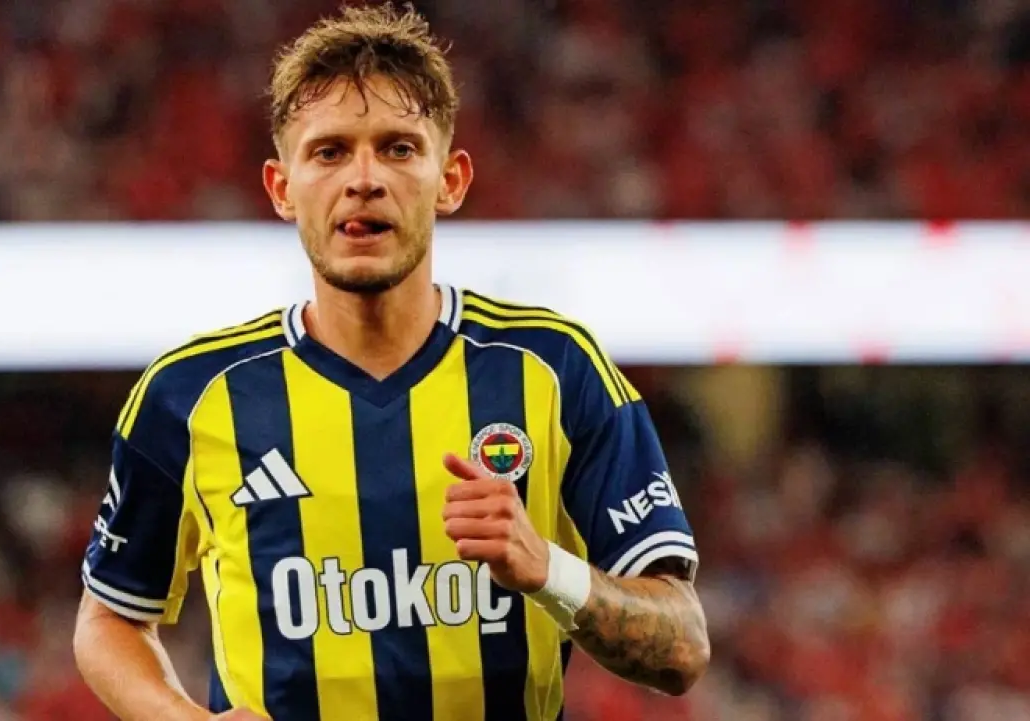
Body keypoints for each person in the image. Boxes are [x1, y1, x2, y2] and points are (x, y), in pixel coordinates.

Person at [72, 4, 710, 720]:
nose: (365, 178)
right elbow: (109, 616)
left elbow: (683, 646)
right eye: (329, 152)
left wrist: (547, 569)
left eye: (400, 148)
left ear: (451, 180)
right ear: (281, 188)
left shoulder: (555, 370)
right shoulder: (191, 395)